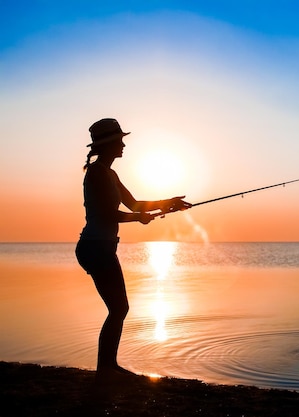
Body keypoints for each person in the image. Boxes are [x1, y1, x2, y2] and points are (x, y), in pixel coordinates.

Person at [75, 118, 191, 381]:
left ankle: (108, 366)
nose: (124, 144)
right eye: (119, 140)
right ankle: (106, 368)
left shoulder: (109, 173)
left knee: (118, 308)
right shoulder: (96, 173)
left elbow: (135, 204)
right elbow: (107, 214)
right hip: (95, 248)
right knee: (119, 308)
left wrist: (169, 203)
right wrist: (138, 219)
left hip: (101, 248)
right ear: (108, 144)